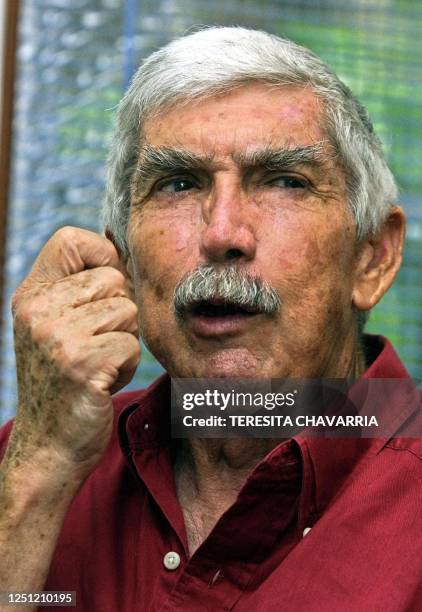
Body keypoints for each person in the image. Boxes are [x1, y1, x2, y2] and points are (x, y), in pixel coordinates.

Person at [0, 26, 420, 612]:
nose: (222, 233)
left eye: (283, 181)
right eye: (178, 183)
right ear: (122, 258)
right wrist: (38, 472)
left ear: (372, 258)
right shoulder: (29, 463)